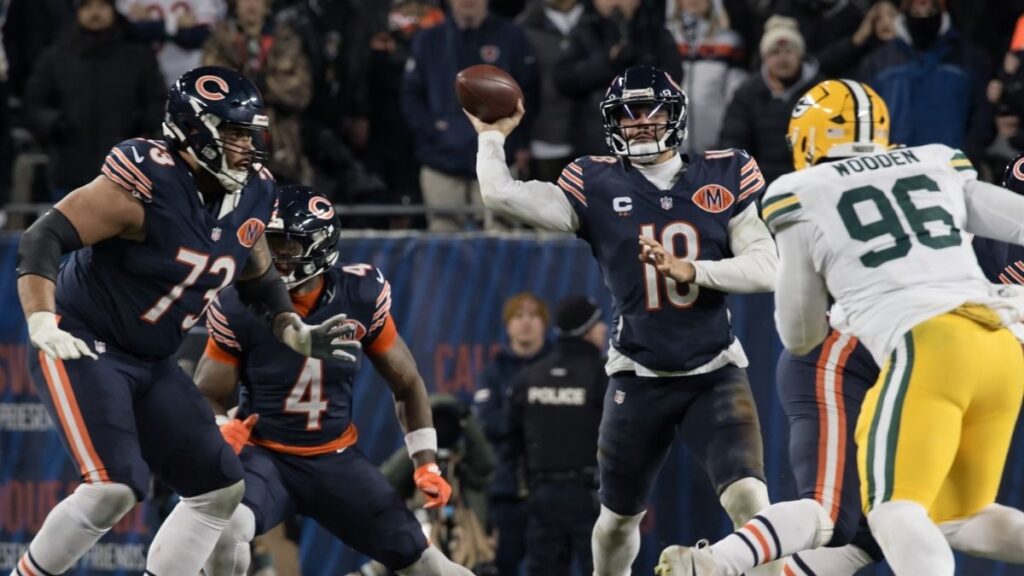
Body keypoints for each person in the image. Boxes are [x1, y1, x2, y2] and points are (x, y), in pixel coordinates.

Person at [658, 78, 1024, 576]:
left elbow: (800, 332)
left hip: (928, 345)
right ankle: (719, 564)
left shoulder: (801, 192)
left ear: (806, 139)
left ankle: (718, 563)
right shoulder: (936, 160)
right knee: (957, 518)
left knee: (893, 513)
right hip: (1001, 346)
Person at [11, 66, 359, 576]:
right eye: (234, 133)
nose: (248, 146)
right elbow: (42, 238)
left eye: (250, 133)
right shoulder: (145, 180)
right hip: (85, 340)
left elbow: (258, 278)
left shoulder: (255, 192)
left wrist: (292, 328)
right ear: (193, 131)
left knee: (220, 489)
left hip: (152, 359)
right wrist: (42, 320)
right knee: (113, 488)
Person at [468, 64, 779, 576]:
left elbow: (768, 269)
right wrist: (491, 138)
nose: (637, 123)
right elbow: (500, 194)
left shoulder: (725, 171)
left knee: (751, 502)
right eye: (626, 114)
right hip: (638, 375)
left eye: (648, 111)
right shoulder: (594, 180)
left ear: (675, 116)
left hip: (715, 370)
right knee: (615, 521)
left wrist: (691, 270)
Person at [197, 185, 472, 576]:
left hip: (335, 459)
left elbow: (407, 383)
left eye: (285, 246)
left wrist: (426, 464)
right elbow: (206, 392)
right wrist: (222, 426)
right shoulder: (239, 304)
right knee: (223, 531)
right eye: (267, 243)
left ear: (320, 246)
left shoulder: (359, 295)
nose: (272, 257)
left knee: (428, 566)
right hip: (266, 457)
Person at [506, 295, 608, 576]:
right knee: (602, 569)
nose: (604, 329)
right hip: (590, 497)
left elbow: (510, 439)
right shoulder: (602, 376)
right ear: (587, 329)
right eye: (599, 323)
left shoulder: (531, 376)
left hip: (541, 497)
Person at [474, 292, 551, 576]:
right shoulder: (494, 373)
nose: (526, 323)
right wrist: (531, 417)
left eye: (533, 316)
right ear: (508, 325)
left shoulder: (559, 366)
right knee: (502, 565)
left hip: (551, 488)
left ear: (544, 323)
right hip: (506, 491)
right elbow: (487, 424)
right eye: (519, 316)